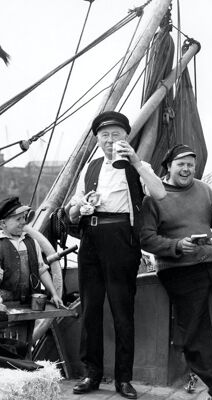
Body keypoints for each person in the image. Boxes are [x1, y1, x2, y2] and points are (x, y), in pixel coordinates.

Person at [68, 111, 166, 398]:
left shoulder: (137, 165)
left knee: (123, 311)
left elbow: (159, 194)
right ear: (97, 139)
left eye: (117, 135)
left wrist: (136, 161)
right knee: (90, 310)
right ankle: (92, 374)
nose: (111, 141)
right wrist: (80, 209)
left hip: (122, 238)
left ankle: (124, 379)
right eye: (105, 136)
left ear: (126, 137)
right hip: (90, 238)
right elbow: (73, 210)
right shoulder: (91, 168)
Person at [140, 144, 212, 400]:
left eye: (190, 165)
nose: (187, 169)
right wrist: (177, 246)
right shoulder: (153, 197)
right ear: (168, 167)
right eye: (181, 164)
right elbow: (146, 239)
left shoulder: (205, 190)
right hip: (179, 269)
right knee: (196, 329)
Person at [0, 196, 63, 309]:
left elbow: (41, 270)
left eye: (24, 218)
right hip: (7, 302)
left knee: (28, 327)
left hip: (31, 302)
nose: (23, 222)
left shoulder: (32, 242)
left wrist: (54, 294)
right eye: (18, 219)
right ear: (3, 223)